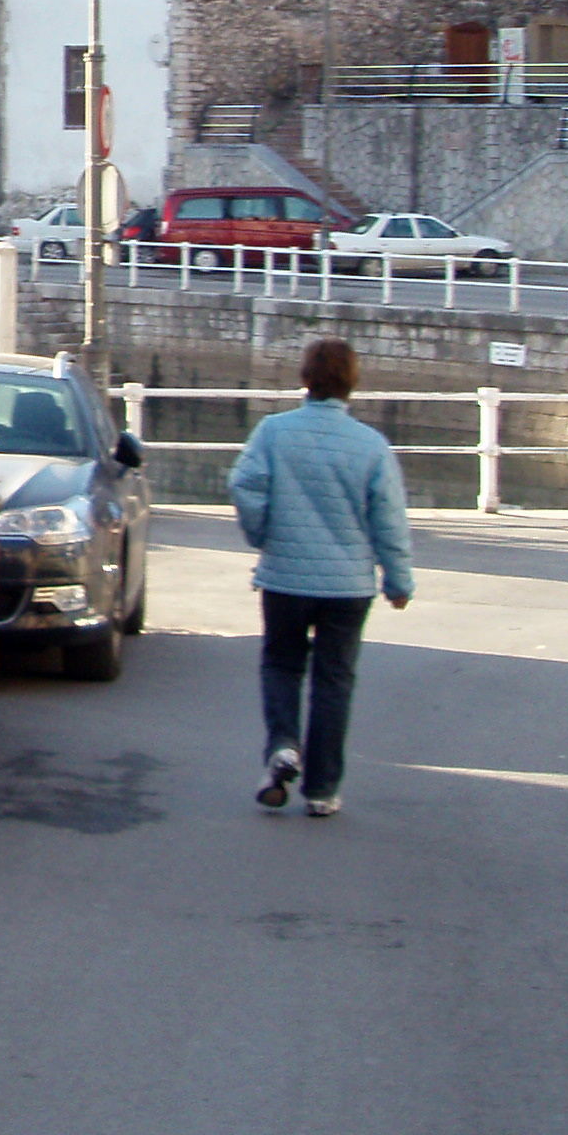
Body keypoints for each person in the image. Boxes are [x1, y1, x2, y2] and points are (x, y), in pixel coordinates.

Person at [228, 337, 415, 818]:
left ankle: (283, 746)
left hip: (285, 577)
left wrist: (264, 533)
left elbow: (244, 485)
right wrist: (397, 581)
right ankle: (322, 789)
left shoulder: (273, 432)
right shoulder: (372, 447)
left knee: (281, 665)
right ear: (352, 383)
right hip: (348, 586)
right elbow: (388, 520)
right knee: (334, 682)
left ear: (304, 378)